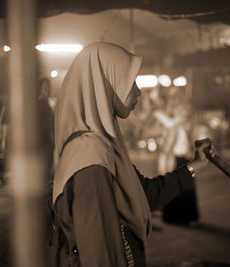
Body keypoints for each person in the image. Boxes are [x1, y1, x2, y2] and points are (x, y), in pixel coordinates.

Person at [51, 42, 213, 267]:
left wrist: (195, 165)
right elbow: (98, 254)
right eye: (130, 81)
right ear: (104, 84)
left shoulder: (102, 146)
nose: (137, 91)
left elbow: (144, 195)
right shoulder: (90, 156)